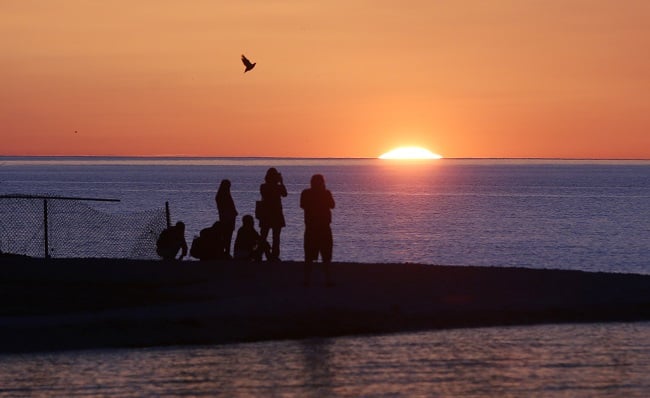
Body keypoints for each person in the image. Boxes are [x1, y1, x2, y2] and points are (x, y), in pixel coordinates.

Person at [300, 174, 335, 286]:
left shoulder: (306, 193)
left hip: (311, 228)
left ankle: (307, 280)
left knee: (309, 256)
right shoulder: (326, 193)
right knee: (326, 256)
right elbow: (332, 205)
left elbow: (302, 205)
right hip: (323, 228)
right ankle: (327, 280)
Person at [258, 167, 287, 261]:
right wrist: (281, 182)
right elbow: (285, 194)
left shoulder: (263, 186)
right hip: (276, 213)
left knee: (263, 235)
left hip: (266, 214)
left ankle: (261, 254)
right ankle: (274, 256)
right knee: (276, 236)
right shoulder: (276, 187)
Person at [216, 179, 238, 258]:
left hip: (225, 218)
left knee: (226, 236)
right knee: (227, 236)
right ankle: (226, 252)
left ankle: (225, 251)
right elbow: (228, 207)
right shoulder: (224, 195)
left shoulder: (220, 195)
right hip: (227, 219)